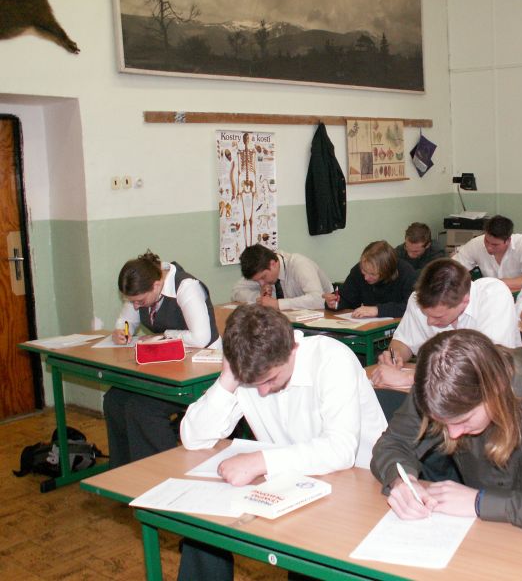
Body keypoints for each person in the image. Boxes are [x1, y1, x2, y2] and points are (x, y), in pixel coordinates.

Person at [370, 330, 522, 578]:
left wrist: (481, 503)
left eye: (464, 420)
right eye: (443, 423)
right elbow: (392, 443)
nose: (453, 434)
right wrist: (402, 481)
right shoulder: (438, 383)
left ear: (495, 388)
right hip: (490, 535)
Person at [178, 304, 387, 580]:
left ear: (292, 349)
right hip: (295, 483)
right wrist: (228, 379)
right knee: (202, 533)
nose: (263, 391)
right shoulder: (252, 368)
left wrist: (260, 461)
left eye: (271, 379)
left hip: (358, 489)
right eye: (254, 383)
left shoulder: (331, 359)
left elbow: (340, 450)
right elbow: (193, 437)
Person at [104, 251, 220, 469]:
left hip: (201, 370)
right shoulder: (144, 289)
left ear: (157, 285)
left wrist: (166, 335)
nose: (136, 306)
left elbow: (201, 338)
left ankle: (163, 472)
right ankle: (124, 471)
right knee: (115, 400)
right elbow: (126, 320)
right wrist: (121, 331)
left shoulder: (186, 287)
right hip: (167, 367)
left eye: (139, 301)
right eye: (132, 301)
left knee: (142, 409)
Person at [371, 259, 521, 389]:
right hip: (441, 392)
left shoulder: (493, 295)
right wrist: (395, 356)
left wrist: (410, 377)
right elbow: (403, 341)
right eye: (426, 314)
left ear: (464, 301)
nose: (429, 322)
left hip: (497, 390)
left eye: (438, 316)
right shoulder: (418, 299)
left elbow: (487, 366)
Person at [323, 240, 417, 318]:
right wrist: (335, 303)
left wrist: (378, 310)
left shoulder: (406, 273)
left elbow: (413, 307)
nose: (366, 277)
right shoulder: (358, 271)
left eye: (373, 274)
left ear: (387, 271)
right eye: (364, 271)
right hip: (369, 326)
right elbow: (348, 298)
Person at [230, 244, 333, 310]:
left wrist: (278, 304)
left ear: (273, 264)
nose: (261, 283)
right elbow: (236, 292)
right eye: (257, 281)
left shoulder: (299, 264)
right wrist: (259, 297)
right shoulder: (260, 270)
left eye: (263, 277)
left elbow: (319, 299)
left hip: (326, 316)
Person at [451, 214, 522, 291]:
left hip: (520, 295)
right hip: (489, 295)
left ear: (508, 240)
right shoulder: (476, 243)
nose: (489, 247)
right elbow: (453, 268)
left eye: (495, 245)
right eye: (486, 241)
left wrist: (497, 283)